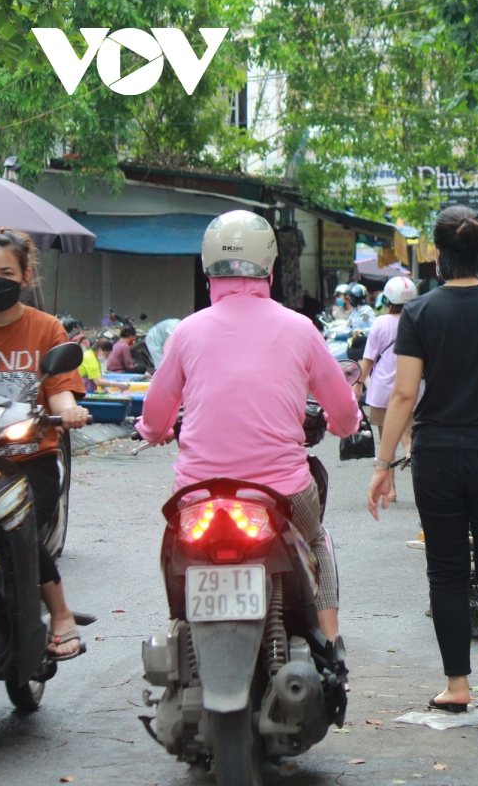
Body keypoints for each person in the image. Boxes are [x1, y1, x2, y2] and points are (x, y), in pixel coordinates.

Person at [136, 210, 362, 644]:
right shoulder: (301, 329)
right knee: (316, 540)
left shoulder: (185, 332)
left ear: (208, 270)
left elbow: (156, 414)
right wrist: (343, 423)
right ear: (271, 269)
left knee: (176, 545)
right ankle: (332, 649)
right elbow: (344, 411)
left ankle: (180, 622)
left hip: (198, 495)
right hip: (283, 494)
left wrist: (152, 431)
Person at [368, 205, 478, 714]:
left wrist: (382, 465)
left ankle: (457, 686)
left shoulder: (418, 313)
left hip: (437, 453)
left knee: (445, 570)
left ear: (438, 256)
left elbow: (402, 395)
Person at [0, 229, 90, 660]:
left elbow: (60, 389)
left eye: (6, 272)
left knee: (17, 524)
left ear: (26, 276)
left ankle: (61, 613)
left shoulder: (45, 328)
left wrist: (68, 410)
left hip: (31, 459)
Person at [355, 276, 418, 503]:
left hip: (383, 391)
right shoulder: (418, 321)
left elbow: (369, 359)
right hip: (412, 389)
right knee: (409, 437)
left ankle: (390, 491)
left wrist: (358, 382)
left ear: (388, 298)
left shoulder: (381, 323)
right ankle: (416, 472)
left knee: (387, 441)